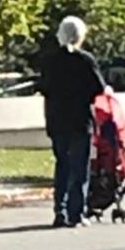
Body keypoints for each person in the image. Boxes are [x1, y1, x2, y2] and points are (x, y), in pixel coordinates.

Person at [39, 14, 105, 228]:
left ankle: (61, 210)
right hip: (79, 119)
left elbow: (44, 87)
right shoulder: (85, 60)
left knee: (62, 165)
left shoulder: (50, 60)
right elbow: (99, 88)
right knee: (79, 168)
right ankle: (77, 213)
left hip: (57, 120)